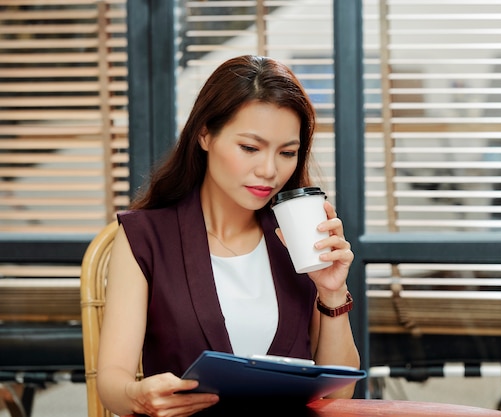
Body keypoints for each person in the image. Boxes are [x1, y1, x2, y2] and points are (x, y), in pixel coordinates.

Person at [96, 55, 360, 416]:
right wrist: (137, 396)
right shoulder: (148, 238)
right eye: (250, 148)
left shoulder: (298, 238)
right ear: (205, 134)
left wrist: (331, 292)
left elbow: (340, 392)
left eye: (287, 153)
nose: (269, 170)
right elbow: (112, 381)